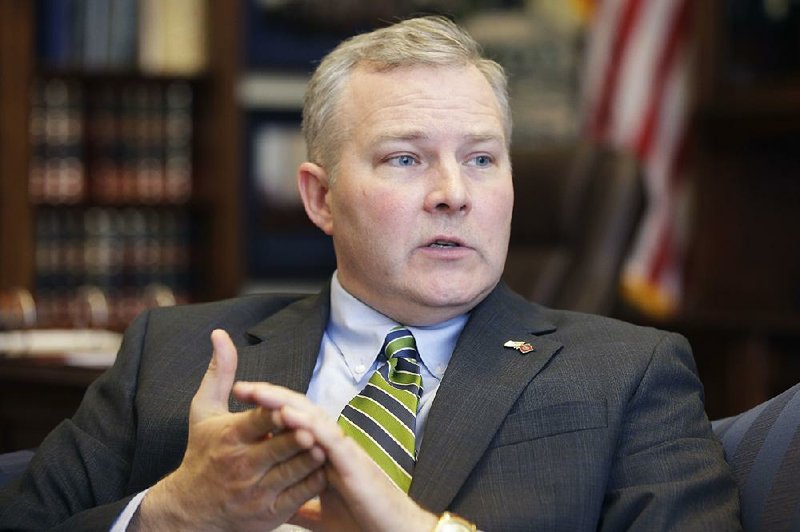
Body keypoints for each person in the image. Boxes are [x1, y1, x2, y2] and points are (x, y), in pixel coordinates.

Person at [0, 16, 740, 531]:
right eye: (406, 158)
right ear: (321, 198)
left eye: (482, 158)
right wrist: (168, 517)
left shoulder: (627, 373)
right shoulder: (176, 352)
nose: (454, 191)